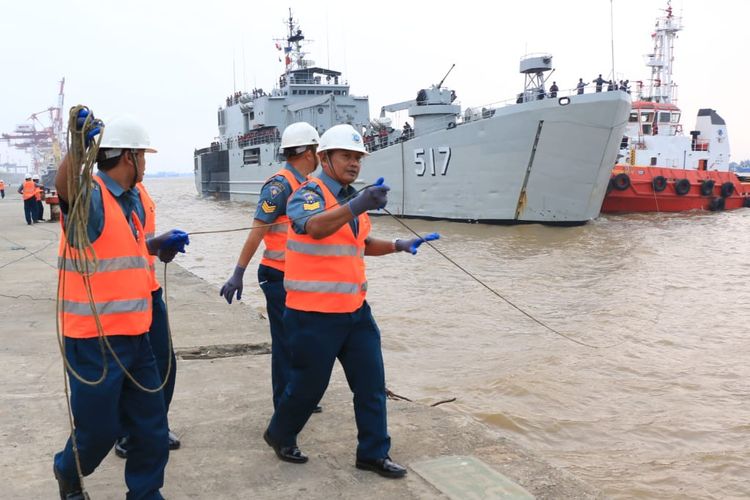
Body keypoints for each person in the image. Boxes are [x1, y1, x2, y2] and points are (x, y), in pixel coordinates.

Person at [263, 124, 439, 479]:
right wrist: (358, 204)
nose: (355, 163)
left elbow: (358, 243)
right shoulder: (308, 193)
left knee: (371, 385)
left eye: (358, 157)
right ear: (324, 158)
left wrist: (396, 245)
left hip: (355, 313)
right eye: (347, 155)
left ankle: (373, 453)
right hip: (313, 316)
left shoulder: (350, 198)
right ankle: (280, 433)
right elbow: (314, 227)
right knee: (307, 388)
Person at [53, 111, 189, 500]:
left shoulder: (128, 201)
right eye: (143, 156)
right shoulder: (92, 196)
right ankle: (67, 470)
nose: (146, 163)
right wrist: (78, 146)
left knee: (150, 426)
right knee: (99, 430)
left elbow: (116, 251)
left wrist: (155, 244)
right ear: (129, 157)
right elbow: (67, 192)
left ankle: (146, 494)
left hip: (136, 335)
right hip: (95, 342)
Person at [220, 121, 321, 412]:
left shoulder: (305, 186)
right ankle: (284, 403)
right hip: (277, 275)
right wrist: (238, 272)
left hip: (299, 276)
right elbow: (258, 231)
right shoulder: (279, 186)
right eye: (316, 151)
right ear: (308, 152)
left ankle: (299, 394)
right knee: (285, 342)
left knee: (304, 339)